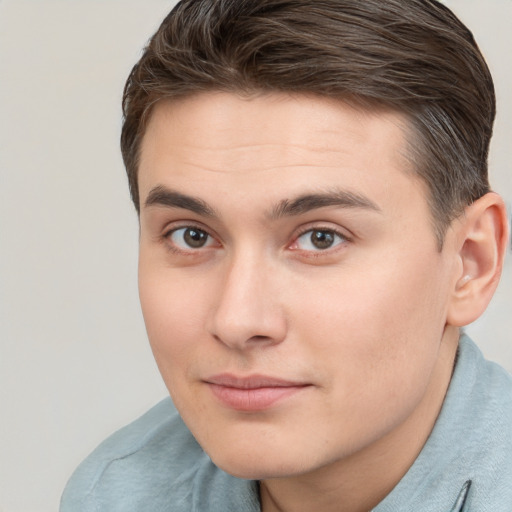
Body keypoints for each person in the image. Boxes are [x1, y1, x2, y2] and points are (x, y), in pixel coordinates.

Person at [60, 0, 511, 510]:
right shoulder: (117, 494)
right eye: (192, 235)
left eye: (321, 238)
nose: (237, 320)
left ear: (470, 264)